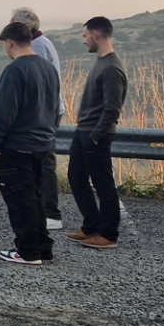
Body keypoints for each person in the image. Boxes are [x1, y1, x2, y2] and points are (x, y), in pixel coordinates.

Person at [0, 21, 60, 264]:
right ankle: (43, 247)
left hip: (16, 146)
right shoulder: (47, 68)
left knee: (20, 201)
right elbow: (53, 106)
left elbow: (3, 112)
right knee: (36, 197)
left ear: (9, 43)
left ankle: (27, 252)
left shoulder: (15, 70)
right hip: (43, 143)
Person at [68, 17, 127, 249]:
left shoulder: (112, 68)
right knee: (76, 177)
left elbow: (113, 108)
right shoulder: (101, 62)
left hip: (95, 134)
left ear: (95, 35)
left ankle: (108, 235)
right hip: (84, 131)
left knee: (103, 184)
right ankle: (91, 227)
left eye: (84, 36)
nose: (83, 41)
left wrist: (95, 135)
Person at [12, 7, 66, 230]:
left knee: (43, 162)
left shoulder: (38, 47)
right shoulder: (42, 43)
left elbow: (38, 84)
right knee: (42, 160)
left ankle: (49, 214)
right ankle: (43, 211)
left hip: (43, 112)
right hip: (48, 110)